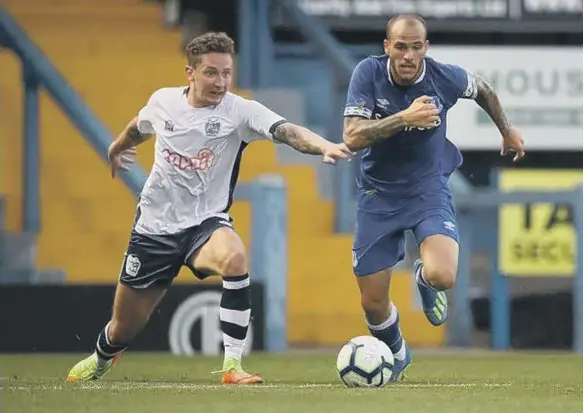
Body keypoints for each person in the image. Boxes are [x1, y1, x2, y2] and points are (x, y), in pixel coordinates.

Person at [66, 31, 352, 385]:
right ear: (191, 73)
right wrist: (116, 147)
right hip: (154, 229)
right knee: (123, 327)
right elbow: (139, 128)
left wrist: (323, 144)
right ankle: (101, 357)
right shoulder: (163, 102)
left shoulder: (240, 111)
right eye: (212, 73)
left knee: (234, 258)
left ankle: (232, 367)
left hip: (205, 224)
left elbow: (286, 131)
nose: (221, 82)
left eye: (227, 73)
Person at [342, 14, 525, 381]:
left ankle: (425, 280)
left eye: (415, 47)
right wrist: (404, 118)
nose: (408, 55)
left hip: (428, 189)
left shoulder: (445, 77)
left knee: (444, 275)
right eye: (400, 47)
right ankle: (398, 351)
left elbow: (484, 89)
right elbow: (352, 136)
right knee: (372, 302)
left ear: (425, 47)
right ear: (387, 47)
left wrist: (507, 129)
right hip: (378, 195)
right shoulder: (368, 73)